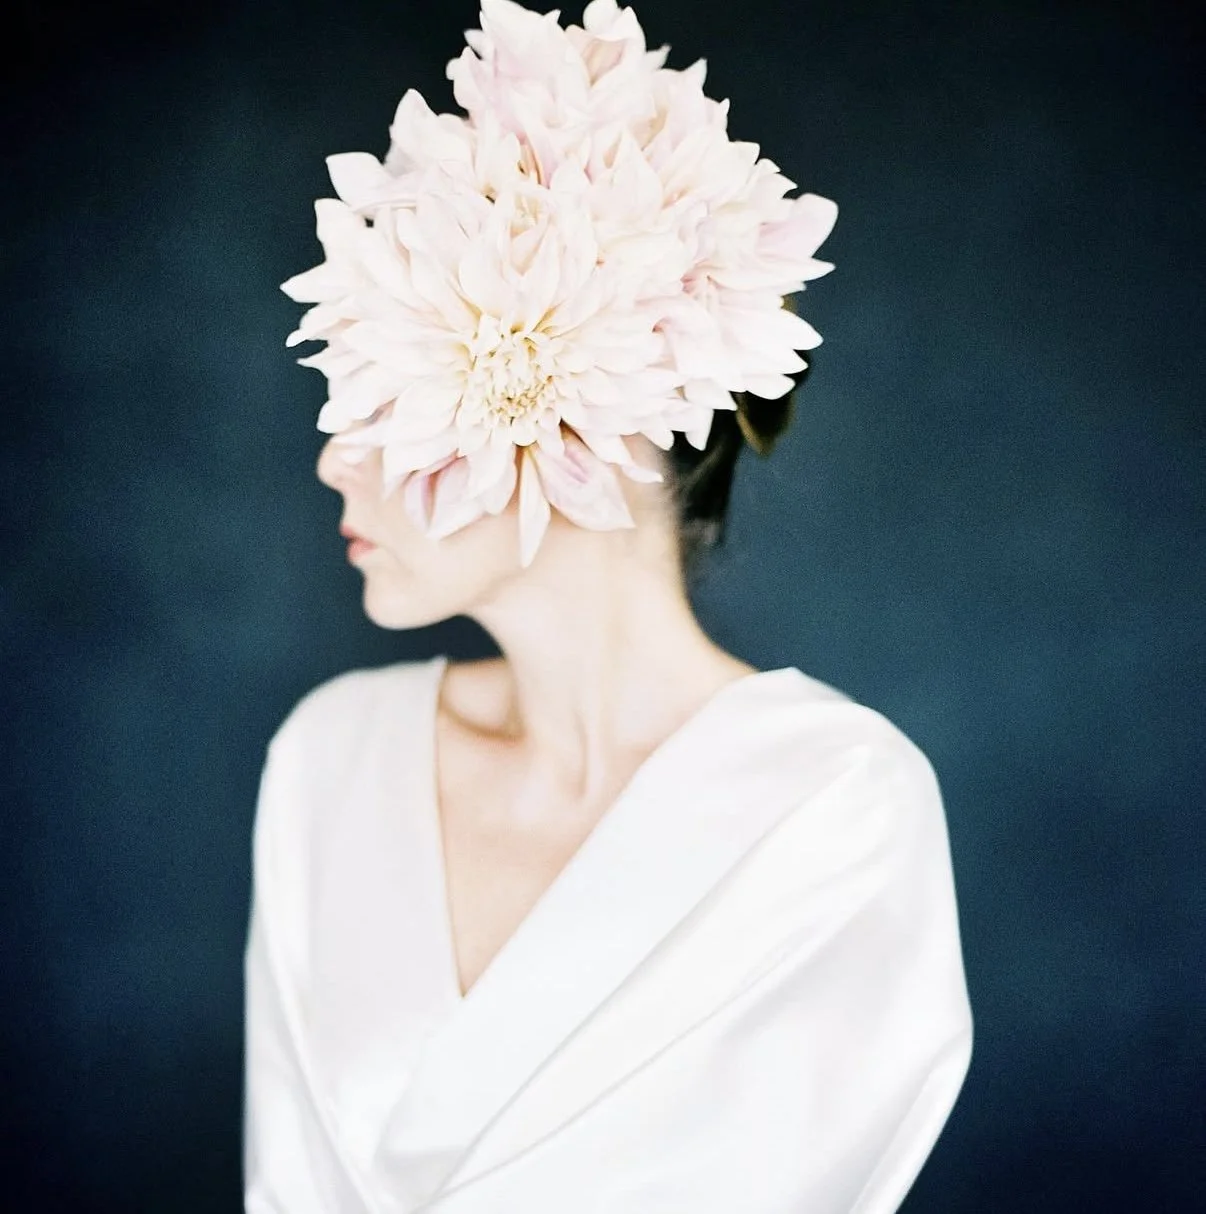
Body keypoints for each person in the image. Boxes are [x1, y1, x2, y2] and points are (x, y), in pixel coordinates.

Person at [243, 3, 973, 1211]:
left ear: (583, 408)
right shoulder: (328, 757)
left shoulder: (836, 811)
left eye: (379, 394)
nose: (331, 460)